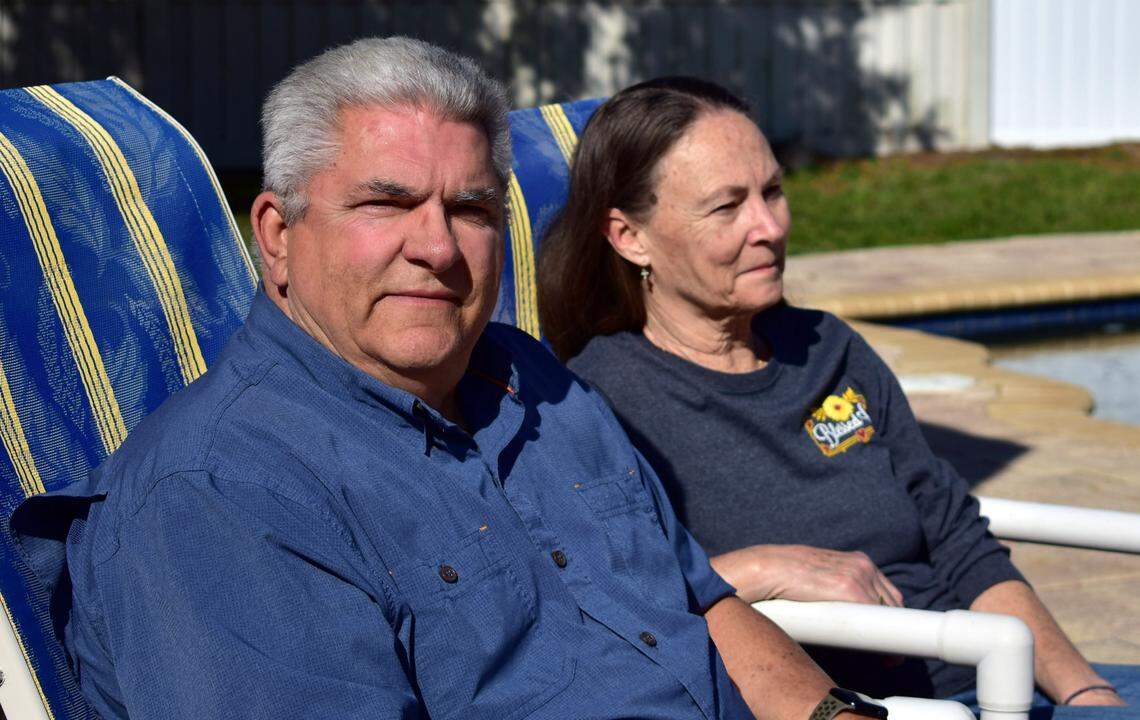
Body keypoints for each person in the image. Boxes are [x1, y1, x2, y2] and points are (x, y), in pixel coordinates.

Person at [13, 40, 891, 720]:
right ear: (278, 235)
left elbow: (700, 602)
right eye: (386, 203)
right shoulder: (216, 497)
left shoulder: (532, 381)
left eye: (470, 210)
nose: (436, 248)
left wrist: (831, 712)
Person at [537, 76, 1136, 716]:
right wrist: (761, 569)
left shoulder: (828, 347)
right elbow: (608, 597)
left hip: (1001, 676)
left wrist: (1086, 694)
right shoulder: (598, 404)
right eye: (726, 206)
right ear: (630, 237)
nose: (769, 226)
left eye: (772, 191)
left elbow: (957, 539)